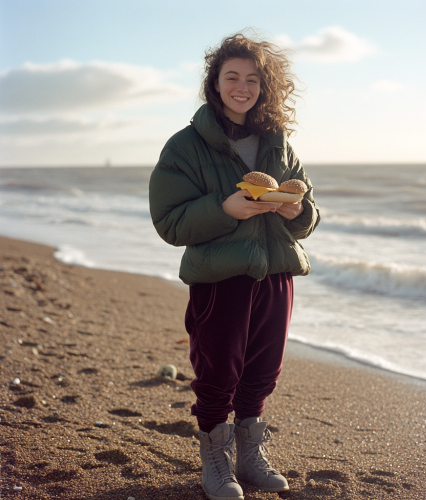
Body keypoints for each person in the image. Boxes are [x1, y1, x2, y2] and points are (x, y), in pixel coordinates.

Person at [149, 32, 320, 500]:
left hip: (277, 273)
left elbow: (309, 214)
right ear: (215, 83)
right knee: (218, 371)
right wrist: (225, 209)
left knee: (263, 370)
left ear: (264, 86)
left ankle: (249, 455)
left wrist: (294, 211)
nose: (241, 87)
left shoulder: (278, 144)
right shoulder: (185, 146)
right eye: (232, 77)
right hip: (220, 278)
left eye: (251, 79)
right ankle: (215, 460)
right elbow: (168, 222)